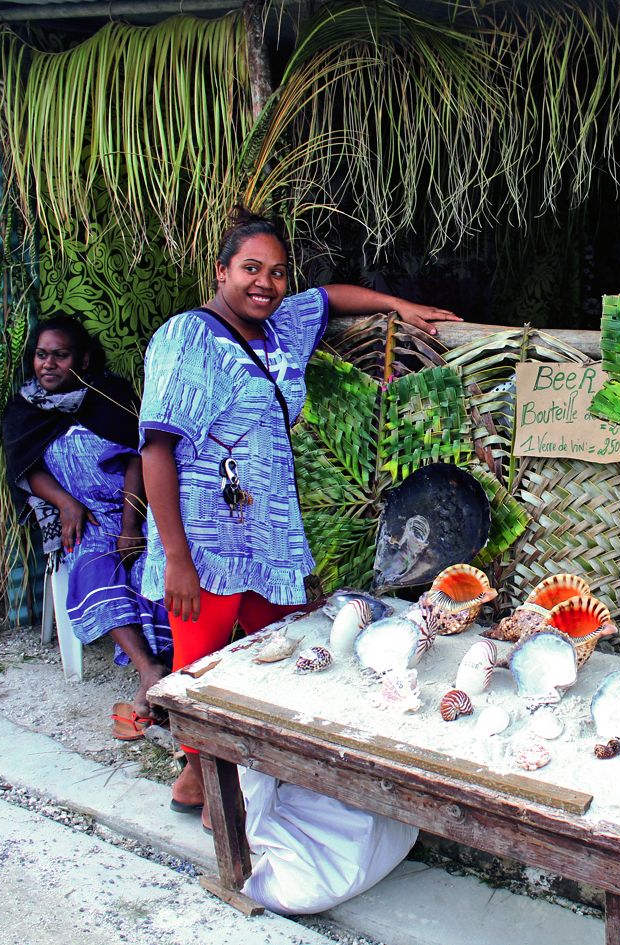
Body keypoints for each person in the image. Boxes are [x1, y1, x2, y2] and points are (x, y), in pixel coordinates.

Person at [139, 207, 460, 825]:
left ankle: (255, 772)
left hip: (270, 531)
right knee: (202, 663)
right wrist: (177, 558)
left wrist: (398, 307)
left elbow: (330, 296)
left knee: (281, 651)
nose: (265, 283)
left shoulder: (281, 325)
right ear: (221, 271)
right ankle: (203, 776)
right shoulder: (187, 338)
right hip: (205, 536)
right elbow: (156, 448)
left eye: (277, 272)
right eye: (250, 269)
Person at [3, 317, 172, 739]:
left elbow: (139, 456)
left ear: (81, 358)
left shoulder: (107, 395)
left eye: (61, 355)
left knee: (151, 567)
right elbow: (28, 468)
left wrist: (131, 522)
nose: (49, 364)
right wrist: (66, 504)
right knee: (94, 567)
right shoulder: (25, 409)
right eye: (42, 355)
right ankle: (148, 669)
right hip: (85, 516)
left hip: (136, 509)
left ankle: (174, 667)